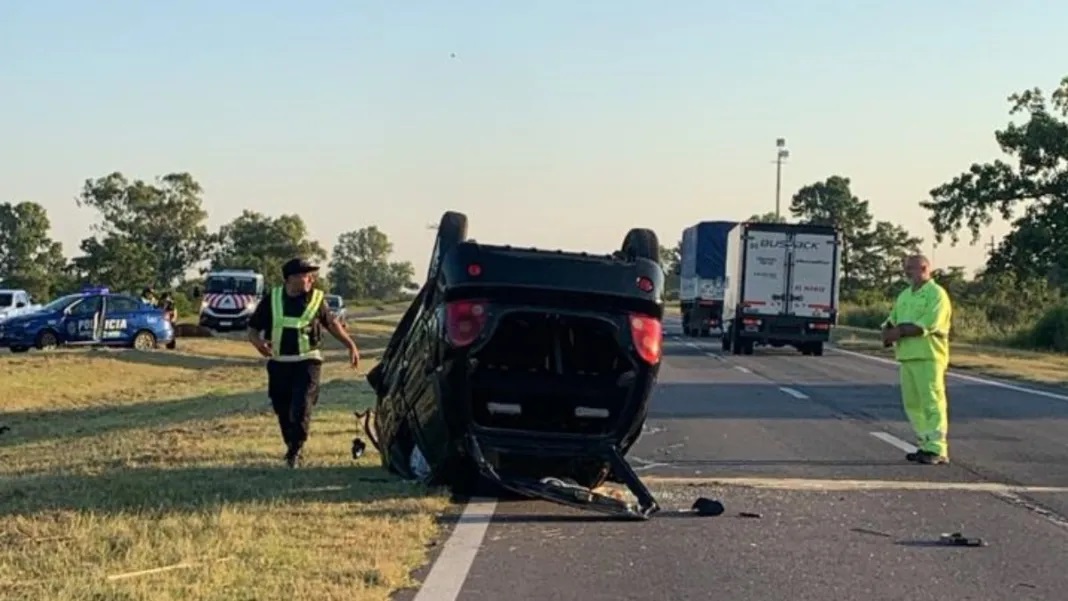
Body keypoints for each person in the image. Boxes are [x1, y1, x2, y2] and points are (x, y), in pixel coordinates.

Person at [247, 258, 361, 467]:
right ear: (290, 278)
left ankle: (296, 449)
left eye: (311, 275)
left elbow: (332, 324)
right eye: (305, 275)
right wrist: (258, 344)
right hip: (279, 362)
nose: (310, 279)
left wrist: (350, 345)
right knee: (283, 408)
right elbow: (253, 329)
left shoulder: (318, 299)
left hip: (308, 361)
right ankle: (291, 445)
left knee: (301, 405)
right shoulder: (272, 299)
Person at [881, 254, 952, 465]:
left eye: (911, 268)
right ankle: (925, 444)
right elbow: (891, 321)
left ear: (924, 268)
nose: (907, 272)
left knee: (931, 402)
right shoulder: (905, 295)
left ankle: (937, 448)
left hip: (929, 356)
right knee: (913, 404)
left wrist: (899, 332)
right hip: (907, 356)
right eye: (905, 268)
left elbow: (927, 325)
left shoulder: (936, 294)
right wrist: (887, 332)